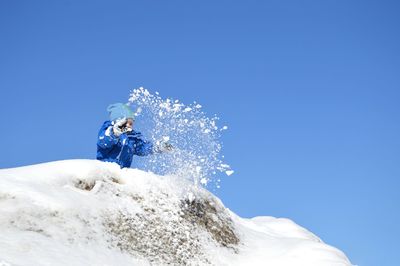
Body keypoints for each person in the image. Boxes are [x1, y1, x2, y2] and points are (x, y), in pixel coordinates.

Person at [96, 103, 172, 168]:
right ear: (117, 121)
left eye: (131, 123)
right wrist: (114, 133)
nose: (129, 125)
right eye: (126, 123)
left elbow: (143, 148)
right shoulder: (108, 130)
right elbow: (103, 142)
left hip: (121, 173)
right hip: (105, 168)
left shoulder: (131, 139)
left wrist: (158, 147)